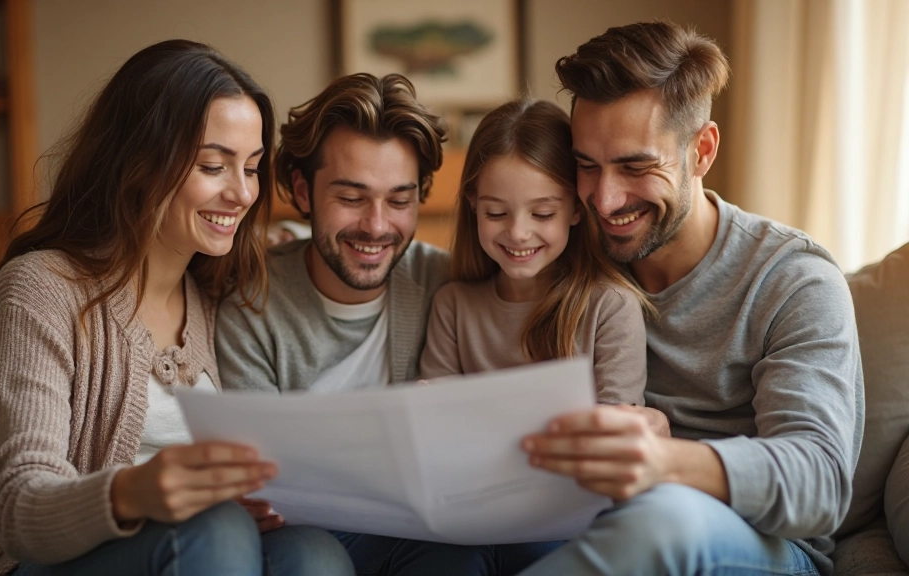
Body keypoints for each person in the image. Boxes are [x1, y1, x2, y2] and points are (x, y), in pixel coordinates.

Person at [0, 40, 353, 576]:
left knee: (313, 552)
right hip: (34, 562)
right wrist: (136, 491)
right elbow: (22, 510)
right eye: (214, 165)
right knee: (216, 529)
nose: (242, 194)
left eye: (252, 168)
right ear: (140, 162)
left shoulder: (215, 296)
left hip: (203, 547)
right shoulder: (42, 289)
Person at [517, 21, 864, 576]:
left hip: (754, 544)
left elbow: (818, 480)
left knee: (664, 520)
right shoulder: (567, 252)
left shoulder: (792, 279)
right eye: (586, 165)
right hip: (588, 524)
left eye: (635, 166)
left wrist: (662, 462)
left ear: (701, 150)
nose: (605, 200)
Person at [216, 73, 518, 576]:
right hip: (300, 535)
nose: (377, 226)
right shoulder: (252, 304)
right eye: (352, 198)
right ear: (302, 191)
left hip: (416, 532)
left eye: (399, 200)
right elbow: (262, 482)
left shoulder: (445, 284)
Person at [415, 97, 650, 575]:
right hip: (468, 521)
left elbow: (613, 443)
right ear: (473, 207)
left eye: (542, 214)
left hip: (566, 525)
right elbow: (431, 426)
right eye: (496, 213)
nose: (518, 233)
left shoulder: (609, 307)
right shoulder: (454, 304)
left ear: (577, 211)